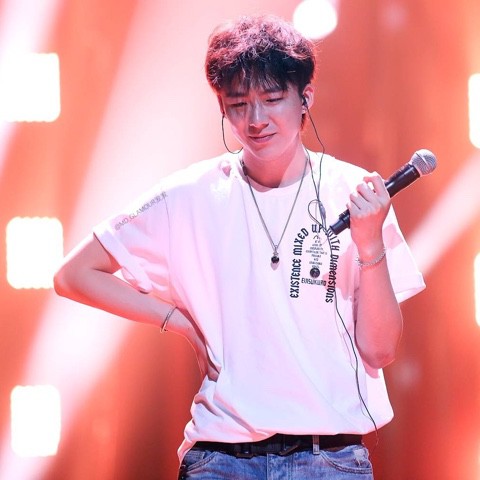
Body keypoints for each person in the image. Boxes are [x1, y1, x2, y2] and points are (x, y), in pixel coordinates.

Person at [54, 14, 425, 479]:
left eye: (272, 99)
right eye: (238, 104)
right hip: (222, 457)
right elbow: (73, 275)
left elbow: (381, 351)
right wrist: (177, 319)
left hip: (330, 459)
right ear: (222, 107)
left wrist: (370, 245)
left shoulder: (354, 193)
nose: (256, 120)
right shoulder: (190, 195)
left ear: (305, 97)